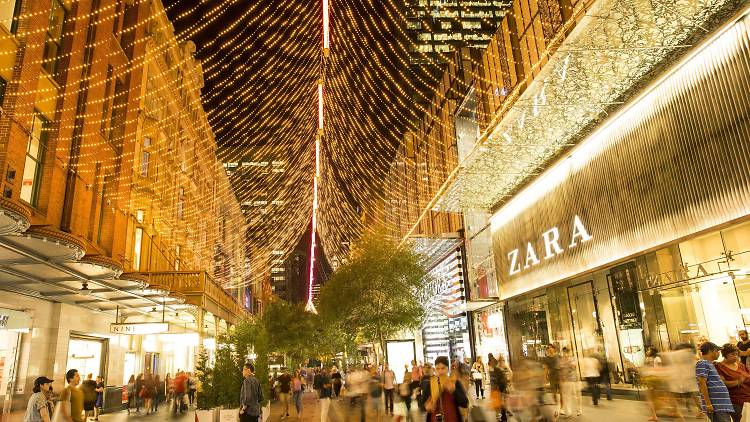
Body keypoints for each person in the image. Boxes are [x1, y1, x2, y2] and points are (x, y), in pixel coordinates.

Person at [422, 356, 469, 422]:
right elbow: (422, 405)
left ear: (448, 368)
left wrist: (454, 391)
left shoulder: (455, 382)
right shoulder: (429, 384)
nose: (440, 371)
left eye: (443, 368)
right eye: (437, 368)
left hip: (453, 419)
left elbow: (465, 403)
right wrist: (426, 407)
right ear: (435, 369)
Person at [696, 342, 734, 422]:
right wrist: (708, 404)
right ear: (710, 351)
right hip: (717, 406)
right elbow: (702, 383)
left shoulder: (710, 364)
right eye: (717, 351)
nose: (719, 353)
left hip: (721, 405)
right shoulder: (702, 363)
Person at [715, 343, 750, 422]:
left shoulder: (741, 365)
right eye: (732, 354)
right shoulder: (719, 366)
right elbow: (722, 383)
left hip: (748, 399)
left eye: (737, 354)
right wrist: (738, 381)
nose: (735, 357)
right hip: (736, 401)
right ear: (725, 355)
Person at [559, 347, 581, 417]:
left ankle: (578, 410)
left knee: (574, 396)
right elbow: (560, 370)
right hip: (564, 381)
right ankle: (568, 412)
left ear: (568, 352)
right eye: (563, 352)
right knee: (566, 397)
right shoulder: (561, 360)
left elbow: (574, 366)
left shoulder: (572, 359)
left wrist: (568, 362)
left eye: (566, 352)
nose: (564, 354)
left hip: (572, 380)